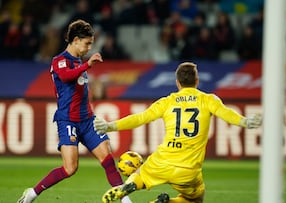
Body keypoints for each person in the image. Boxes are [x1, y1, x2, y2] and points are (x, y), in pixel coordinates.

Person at [94, 62, 262, 203]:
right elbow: (227, 114)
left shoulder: (167, 102)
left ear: (177, 82)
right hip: (188, 170)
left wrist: (110, 126)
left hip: (162, 161)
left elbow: (140, 118)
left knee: (140, 174)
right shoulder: (208, 100)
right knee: (196, 199)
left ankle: (129, 186)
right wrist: (245, 122)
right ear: (197, 81)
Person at [17, 19, 132, 203]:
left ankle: (126, 201)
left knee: (108, 160)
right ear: (76, 40)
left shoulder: (78, 62)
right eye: (87, 44)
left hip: (87, 121)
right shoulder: (60, 61)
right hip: (68, 121)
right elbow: (66, 77)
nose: (88, 48)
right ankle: (32, 193)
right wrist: (87, 65)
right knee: (70, 168)